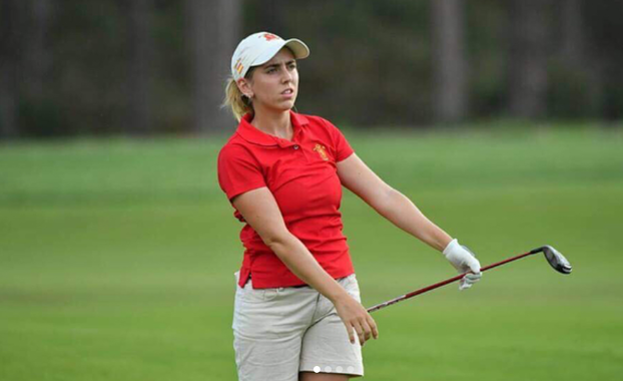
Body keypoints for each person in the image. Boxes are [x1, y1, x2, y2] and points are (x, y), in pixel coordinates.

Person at [217, 31, 482, 381]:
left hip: (336, 288)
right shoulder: (239, 154)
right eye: (271, 70)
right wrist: (340, 298)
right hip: (274, 302)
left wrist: (449, 246)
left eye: (291, 66)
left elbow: (383, 196)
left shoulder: (321, 132)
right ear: (246, 86)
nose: (287, 77)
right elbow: (278, 238)